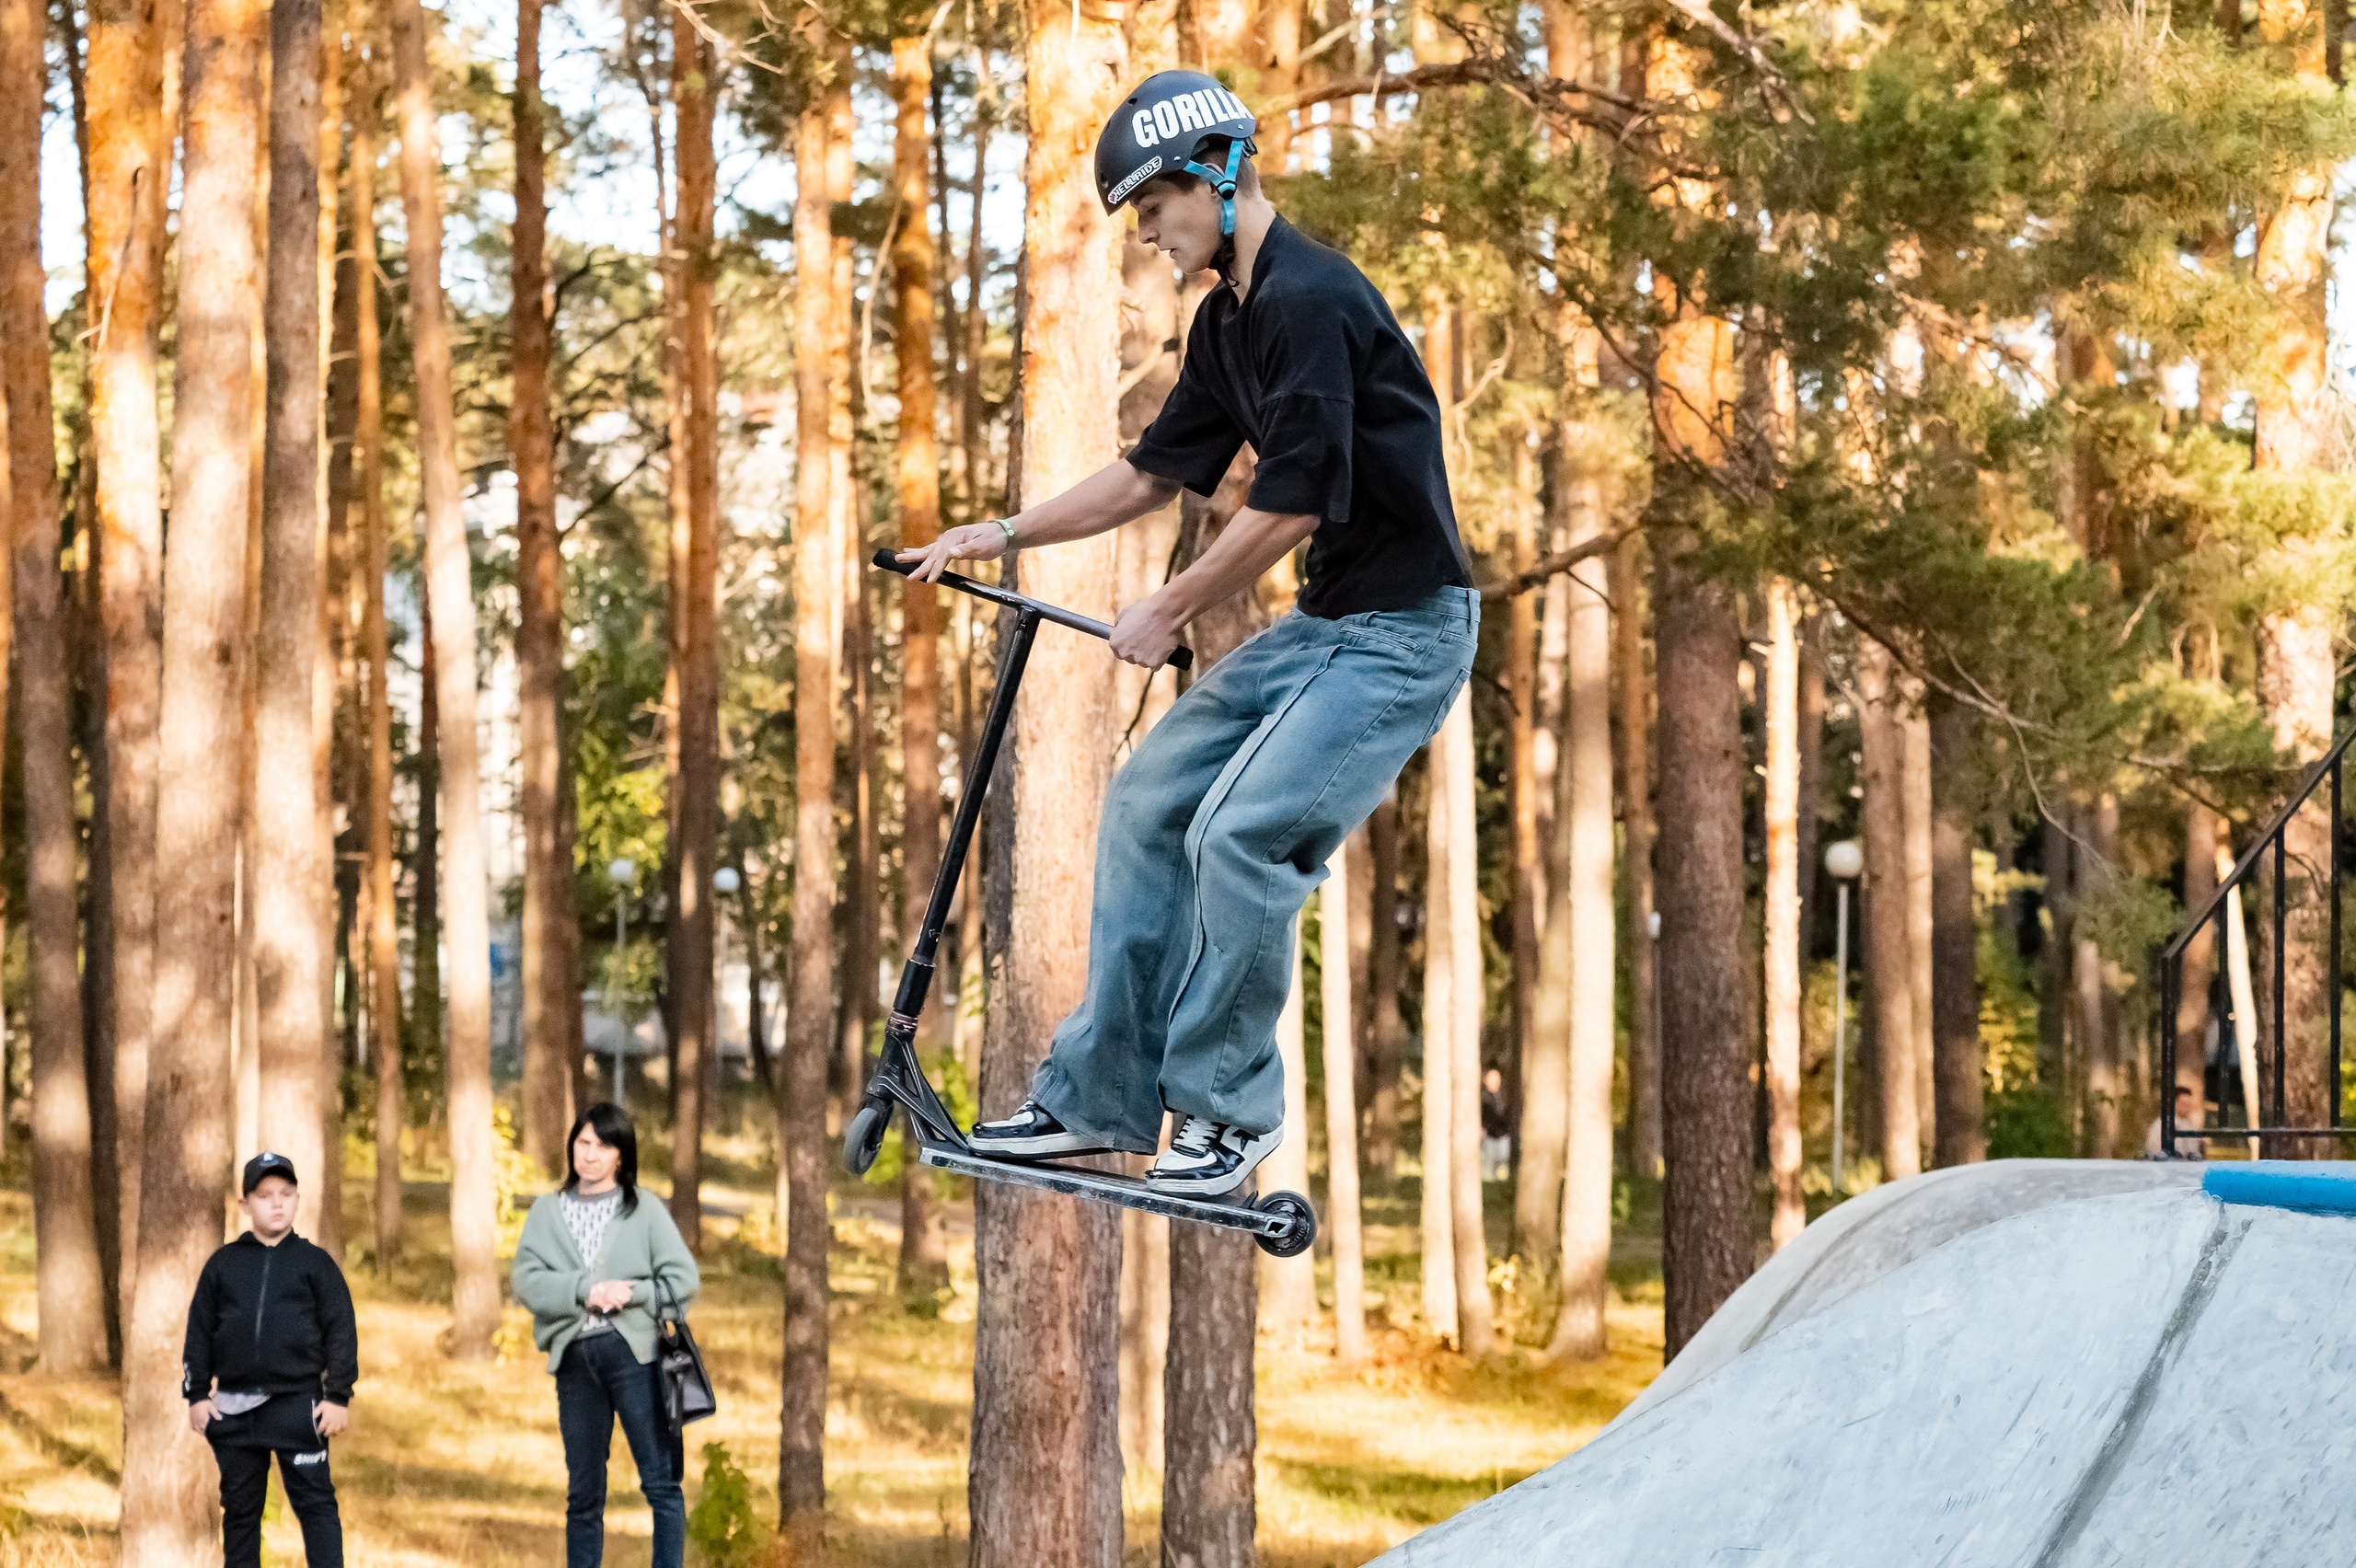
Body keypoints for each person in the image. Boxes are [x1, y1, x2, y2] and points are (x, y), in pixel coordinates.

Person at [898, 70, 1476, 1197]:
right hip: (1327, 628)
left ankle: (1225, 1120)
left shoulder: (1312, 301)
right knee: (1152, 800)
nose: (1150, 237)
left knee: (1239, 836)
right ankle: (1094, 1100)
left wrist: (1167, 605)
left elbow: (1296, 500)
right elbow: (1147, 476)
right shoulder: (1229, 321)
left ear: (1214, 175)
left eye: (1155, 211)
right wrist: (1000, 531)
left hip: (1405, 635)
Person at [513, 1103, 700, 1568]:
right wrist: (584, 1289)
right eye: (583, 1142)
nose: (590, 1154)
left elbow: (684, 1281)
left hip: (634, 1357)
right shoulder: (546, 1212)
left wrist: (633, 1293)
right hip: (574, 1361)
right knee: (583, 1493)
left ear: (621, 1155)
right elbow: (527, 1281)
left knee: (660, 1482)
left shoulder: (644, 1210)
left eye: (603, 1145)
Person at [184, 1152, 357, 1568]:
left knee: (316, 1506)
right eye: (265, 1196)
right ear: (245, 1204)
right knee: (241, 1514)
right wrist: (197, 1394)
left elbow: (341, 1330)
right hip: (235, 1411)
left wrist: (337, 1396)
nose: (277, 1203)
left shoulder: (315, 1264)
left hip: (299, 1406)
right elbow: (200, 1331)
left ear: (298, 1199)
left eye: (286, 1193)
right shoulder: (224, 1265)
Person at [2145, 1085, 2209, 1160]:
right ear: (2174, 1103)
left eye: (2189, 1105)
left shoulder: (2191, 1125)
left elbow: (2195, 1151)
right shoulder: (2162, 1125)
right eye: (2184, 1104)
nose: (2187, 1108)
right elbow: (2156, 1151)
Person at [1480, 1067, 1513, 1182]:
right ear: (1486, 1081)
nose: (1494, 1081)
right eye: (1491, 1078)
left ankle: (1501, 1182)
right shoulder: (1482, 1097)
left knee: (1503, 1160)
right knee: (1488, 1162)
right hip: (1488, 1135)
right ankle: (1489, 1184)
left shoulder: (1504, 1096)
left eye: (1497, 1078)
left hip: (1503, 1134)